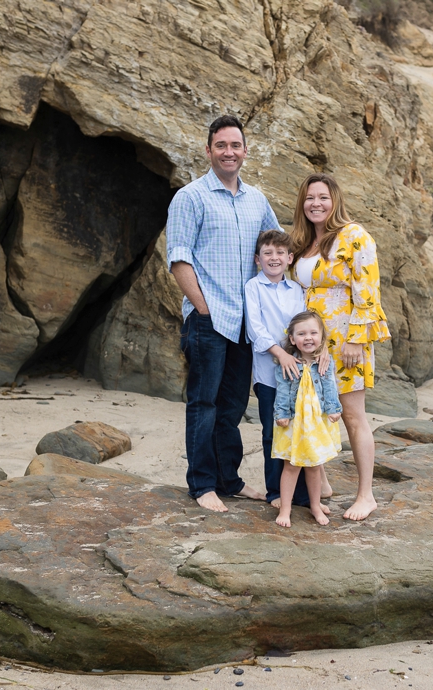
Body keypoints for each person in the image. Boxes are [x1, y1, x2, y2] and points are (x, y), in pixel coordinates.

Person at [166, 115, 282, 512]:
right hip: (209, 320)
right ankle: (202, 486)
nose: (229, 152)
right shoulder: (191, 197)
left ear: (245, 151)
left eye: (235, 145)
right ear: (209, 150)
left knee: (232, 407)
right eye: (221, 146)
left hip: (246, 323)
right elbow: (179, 258)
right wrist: (203, 309)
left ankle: (228, 480)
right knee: (203, 403)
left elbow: (276, 249)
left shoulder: (257, 200)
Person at [289, 172, 390, 521]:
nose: (316, 204)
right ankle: (324, 483)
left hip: (346, 340)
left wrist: (356, 340)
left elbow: (368, 290)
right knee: (314, 410)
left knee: (351, 414)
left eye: (323, 197)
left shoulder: (353, 236)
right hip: (311, 342)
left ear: (335, 202)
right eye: (310, 198)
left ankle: (366, 495)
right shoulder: (303, 242)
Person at [244, 229, 332, 509]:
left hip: (301, 377)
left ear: (290, 258)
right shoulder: (253, 288)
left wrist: (323, 348)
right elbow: (255, 328)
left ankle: (306, 497)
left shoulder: (296, 289)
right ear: (258, 259)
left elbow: (308, 324)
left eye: (280, 253)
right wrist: (280, 353)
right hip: (268, 373)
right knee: (274, 432)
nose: (274, 258)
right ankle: (276, 493)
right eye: (268, 253)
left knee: (303, 431)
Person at [272, 311, 344, 527]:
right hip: (294, 423)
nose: (308, 337)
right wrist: (282, 413)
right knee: (291, 466)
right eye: (302, 334)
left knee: (314, 466)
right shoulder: (287, 364)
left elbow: (330, 386)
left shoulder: (325, 363)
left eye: (314, 333)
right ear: (293, 339)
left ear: (321, 337)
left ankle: (315, 506)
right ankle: (285, 509)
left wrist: (334, 408)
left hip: (315, 423)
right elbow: (283, 391)